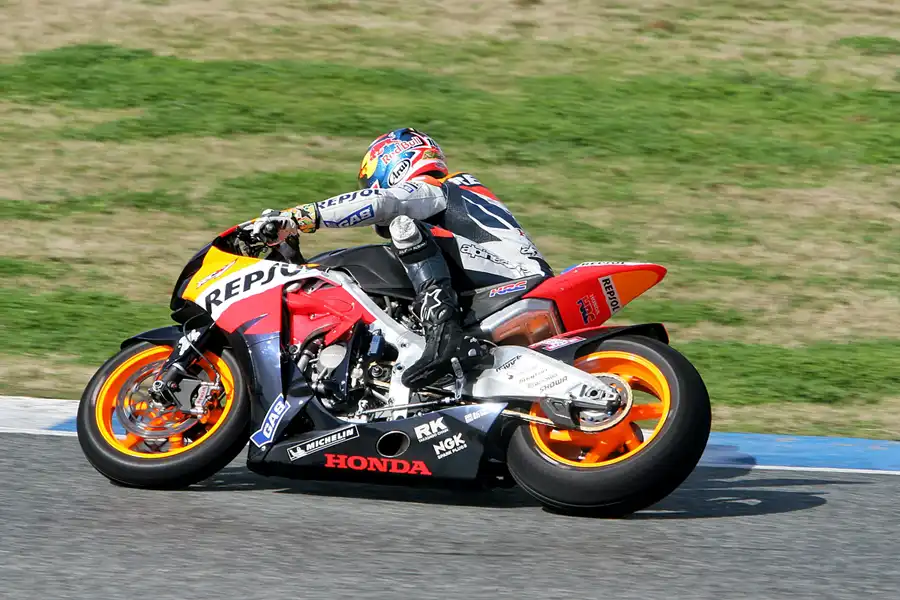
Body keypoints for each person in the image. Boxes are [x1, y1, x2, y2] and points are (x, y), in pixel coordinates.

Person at [250, 127, 551, 389]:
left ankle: (444, 334)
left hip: (510, 281)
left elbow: (384, 202)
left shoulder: (437, 187)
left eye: (370, 182)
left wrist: (301, 216)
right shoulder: (457, 197)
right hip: (503, 278)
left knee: (404, 228)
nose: (369, 189)